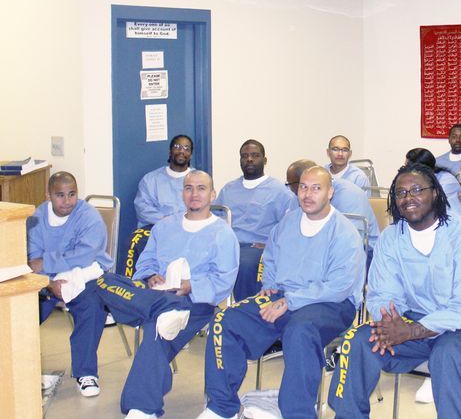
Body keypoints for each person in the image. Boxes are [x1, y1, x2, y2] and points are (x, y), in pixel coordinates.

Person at [327, 165, 461, 419]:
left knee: (448, 353)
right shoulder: (391, 238)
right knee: (359, 340)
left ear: (436, 194)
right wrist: (391, 322)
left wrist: (412, 331)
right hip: (415, 320)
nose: (408, 198)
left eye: (417, 190)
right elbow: (381, 294)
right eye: (400, 193)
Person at [201, 166, 365, 419]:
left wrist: (290, 301)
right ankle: (222, 407)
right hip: (283, 297)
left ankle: (297, 412)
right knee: (225, 320)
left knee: (300, 330)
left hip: (331, 304)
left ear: (330, 192)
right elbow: (271, 258)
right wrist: (270, 285)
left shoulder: (344, 232)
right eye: (303, 187)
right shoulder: (288, 222)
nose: (308, 194)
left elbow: (339, 285)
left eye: (316, 188)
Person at [97, 170, 238, 419]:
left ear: (212, 194)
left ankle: (143, 407)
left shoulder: (222, 234)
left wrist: (191, 285)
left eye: (201, 188)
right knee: (103, 281)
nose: (194, 194)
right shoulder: (164, 226)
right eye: (188, 188)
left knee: (157, 327)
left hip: (193, 302)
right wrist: (151, 275)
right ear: (182, 193)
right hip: (155, 295)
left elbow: (224, 280)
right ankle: (161, 306)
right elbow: (146, 261)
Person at [28, 172, 110, 398]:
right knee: (22, 310)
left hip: (84, 275)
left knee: (93, 306)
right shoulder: (36, 218)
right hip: (49, 280)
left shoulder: (89, 216)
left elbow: (84, 256)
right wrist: (49, 282)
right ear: (48, 196)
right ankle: (20, 369)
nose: (67, 201)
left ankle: (85, 373)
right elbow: (32, 260)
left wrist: (47, 261)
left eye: (72, 194)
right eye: (60, 195)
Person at [218, 139, 298, 299]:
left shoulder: (278, 190)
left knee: (245, 265)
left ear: (264, 160)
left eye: (255, 155)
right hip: (229, 244)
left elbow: (289, 226)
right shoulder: (228, 189)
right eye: (245, 156)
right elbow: (215, 220)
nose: (249, 159)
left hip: (255, 247)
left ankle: (245, 310)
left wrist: (270, 243)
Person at [130, 133, 193, 276]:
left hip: (187, 229)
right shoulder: (151, 179)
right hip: (155, 227)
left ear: (190, 154)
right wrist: (166, 221)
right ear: (170, 151)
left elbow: (203, 208)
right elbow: (143, 209)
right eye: (177, 146)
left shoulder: (198, 179)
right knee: (132, 243)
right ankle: (134, 288)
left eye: (186, 148)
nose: (181, 151)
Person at [287, 159, 374, 224]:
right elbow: (289, 224)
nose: (290, 188)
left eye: (290, 184)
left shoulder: (349, 195)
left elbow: (352, 238)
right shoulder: (299, 195)